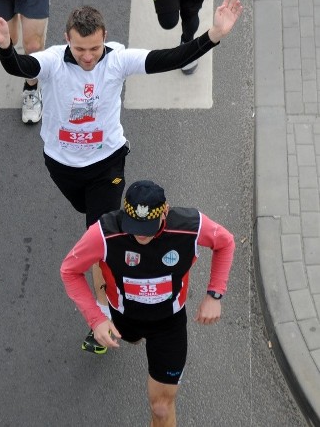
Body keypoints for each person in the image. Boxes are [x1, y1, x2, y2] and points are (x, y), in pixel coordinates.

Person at [0, 0, 243, 353]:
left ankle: (102, 318)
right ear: (67, 39)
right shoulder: (54, 61)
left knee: (99, 239)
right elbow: (20, 68)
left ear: (104, 39)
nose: (88, 57)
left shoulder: (118, 59)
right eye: (80, 49)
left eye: (95, 49)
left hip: (107, 163)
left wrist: (213, 35)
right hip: (61, 163)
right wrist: (7, 45)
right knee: (85, 215)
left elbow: (170, 58)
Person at [60, 180, 235, 427]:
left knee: (161, 408)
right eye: (134, 226)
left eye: (148, 227)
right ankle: (128, 331)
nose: (141, 234)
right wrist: (97, 318)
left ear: (165, 212)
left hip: (168, 325)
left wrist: (215, 294)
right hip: (123, 318)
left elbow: (225, 242)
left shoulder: (190, 227)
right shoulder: (104, 232)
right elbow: (69, 270)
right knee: (131, 338)